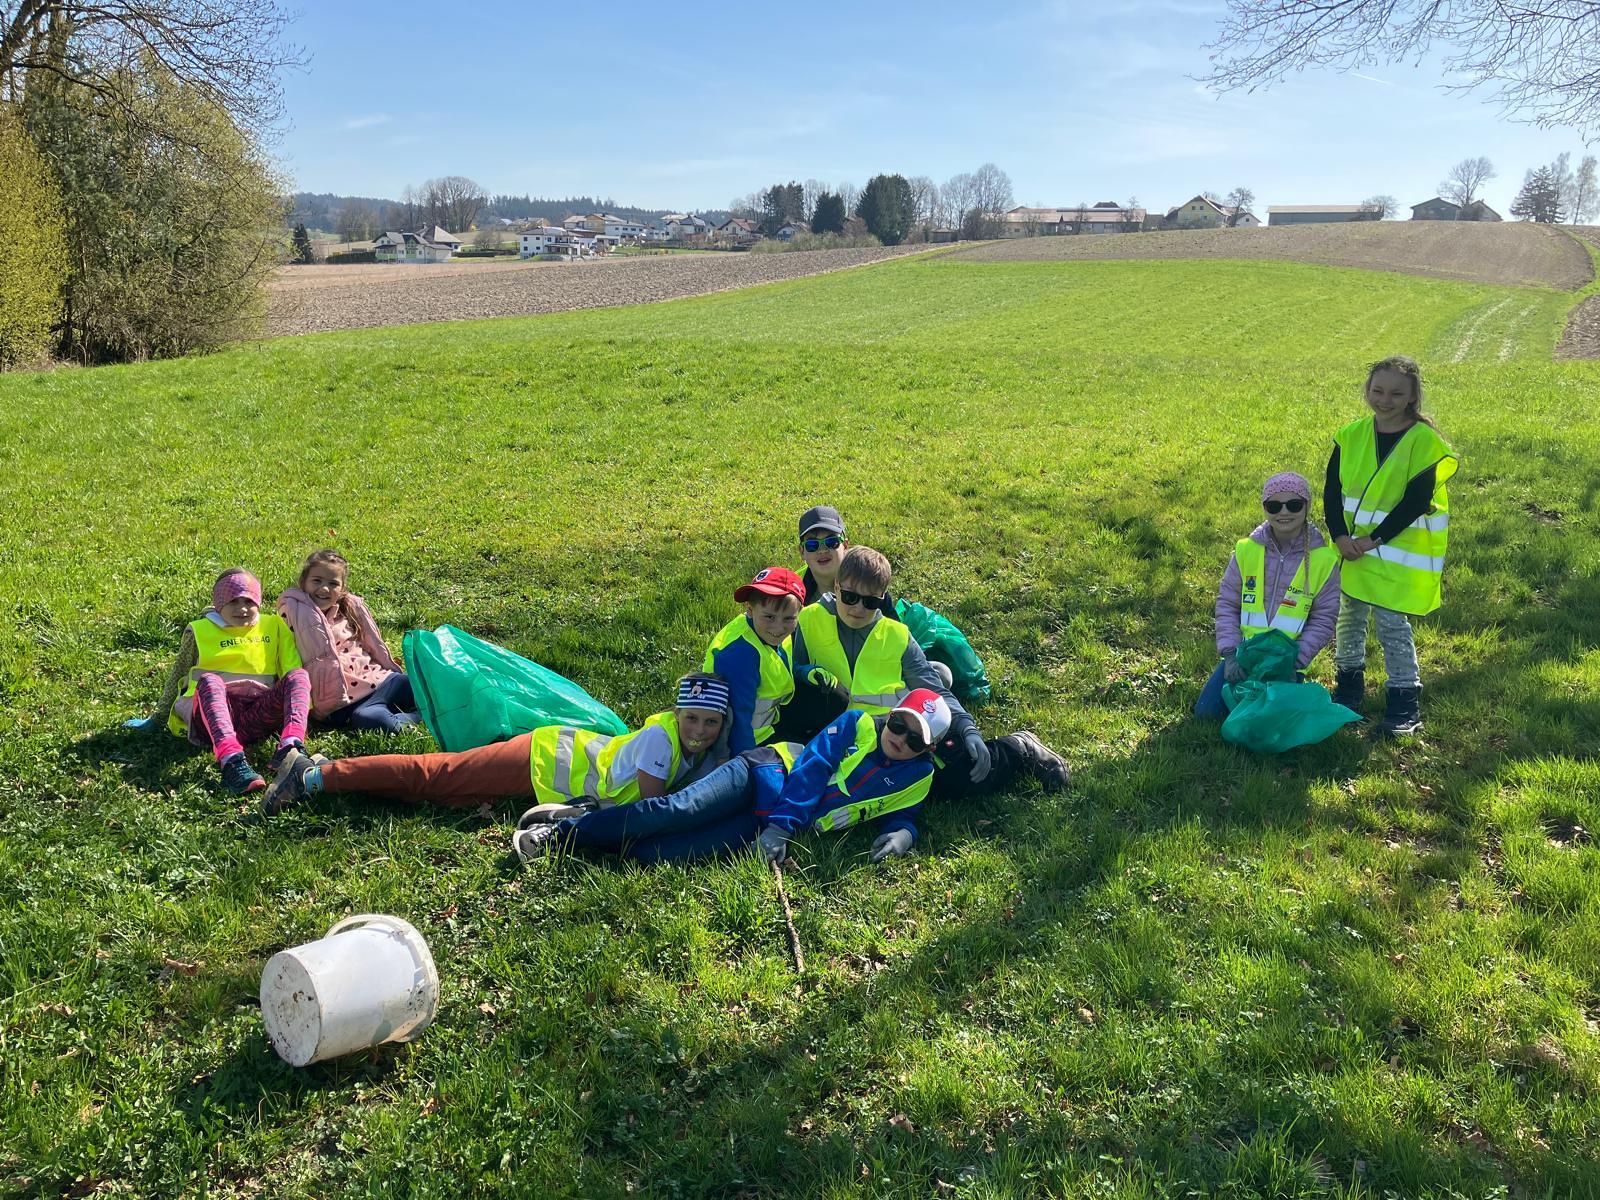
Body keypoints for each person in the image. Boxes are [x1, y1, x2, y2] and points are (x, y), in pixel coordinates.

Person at [512, 689, 953, 866]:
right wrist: (782, 828)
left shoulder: (919, 778)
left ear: (928, 750)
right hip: (763, 773)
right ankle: (562, 833)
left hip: (770, 823)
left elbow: (905, 812)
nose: (900, 738)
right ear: (891, 715)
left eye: (915, 738)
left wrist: (903, 834)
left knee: (665, 855)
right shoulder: (857, 723)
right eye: (899, 724)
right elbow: (815, 767)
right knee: (678, 808)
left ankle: (598, 838)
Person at [793, 545, 1068, 797]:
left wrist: (968, 730)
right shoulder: (807, 620)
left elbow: (934, 690)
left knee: (959, 778)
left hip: (892, 736)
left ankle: (1019, 748)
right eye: (850, 597)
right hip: (831, 737)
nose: (857, 608)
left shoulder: (897, 635)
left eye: (870, 602)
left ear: (882, 598)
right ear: (837, 587)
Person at [261, 673, 731, 816]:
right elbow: (654, 807)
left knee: (442, 793)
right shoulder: (661, 742)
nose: (700, 730)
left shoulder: (693, 745)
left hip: (543, 776)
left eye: (711, 723)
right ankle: (312, 775)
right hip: (540, 760)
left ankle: (332, 776)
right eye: (692, 718)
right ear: (676, 713)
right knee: (437, 775)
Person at [1324, 355, 1458, 734]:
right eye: (1377, 390)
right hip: (1351, 551)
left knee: (1391, 625)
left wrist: (1371, 540)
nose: (1384, 399)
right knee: (1348, 620)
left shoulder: (1423, 442)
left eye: (1396, 393)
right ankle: (1348, 689)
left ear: (1413, 396)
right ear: (1367, 390)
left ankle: (1404, 701)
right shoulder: (1349, 435)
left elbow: (1415, 502)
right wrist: (1339, 536)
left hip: (1392, 553)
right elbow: (1332, 492)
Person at [129, 568, 311, 796]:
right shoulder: (199, 630)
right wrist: (157, 718)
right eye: (233, 601)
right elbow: (177, 676)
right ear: (218, 603)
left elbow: (291, 670)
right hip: (210, 722)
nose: (242, 608)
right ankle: (232, 761)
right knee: (209, 681)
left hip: (255, 716)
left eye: (249, 601)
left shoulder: (273, 625)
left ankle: (291, 748)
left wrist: (301, 713)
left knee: (299, 675)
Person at [1195, 471, 1342, 719]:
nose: (1284, 513)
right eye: (1274, 505)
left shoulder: (1324, 560)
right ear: (1265, 509)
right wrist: (1230, 656)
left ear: (1307, 507)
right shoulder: (1246, 550)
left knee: (1271, 726)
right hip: (1243, 656)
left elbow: (1324, 618)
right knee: (1206, 714)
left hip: (1286, 662)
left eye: (1293, 505)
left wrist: (1295, 661)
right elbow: (1228, 606)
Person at [277, 549, 419, 733]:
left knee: (425, 688)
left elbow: (372, 644)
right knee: (369, 719)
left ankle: (427, 711)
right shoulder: (291, 613)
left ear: (342, 588)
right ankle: (415, 719)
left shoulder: (347, 609)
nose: (324, 588)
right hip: (347, 703)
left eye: (333, 583)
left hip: (382, 680)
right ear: (303, 582)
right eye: (317, 581)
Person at [701, 566, 807, 754]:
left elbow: (777, 662)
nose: (778, 628)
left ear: (799, 613)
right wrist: (751, 763)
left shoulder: (767, 633)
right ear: (750, 610)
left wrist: (803, 671)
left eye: (788, 619)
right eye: (769, 617)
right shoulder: (740, 654)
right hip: (749, 739)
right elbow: (738, 721)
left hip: (770, 722)